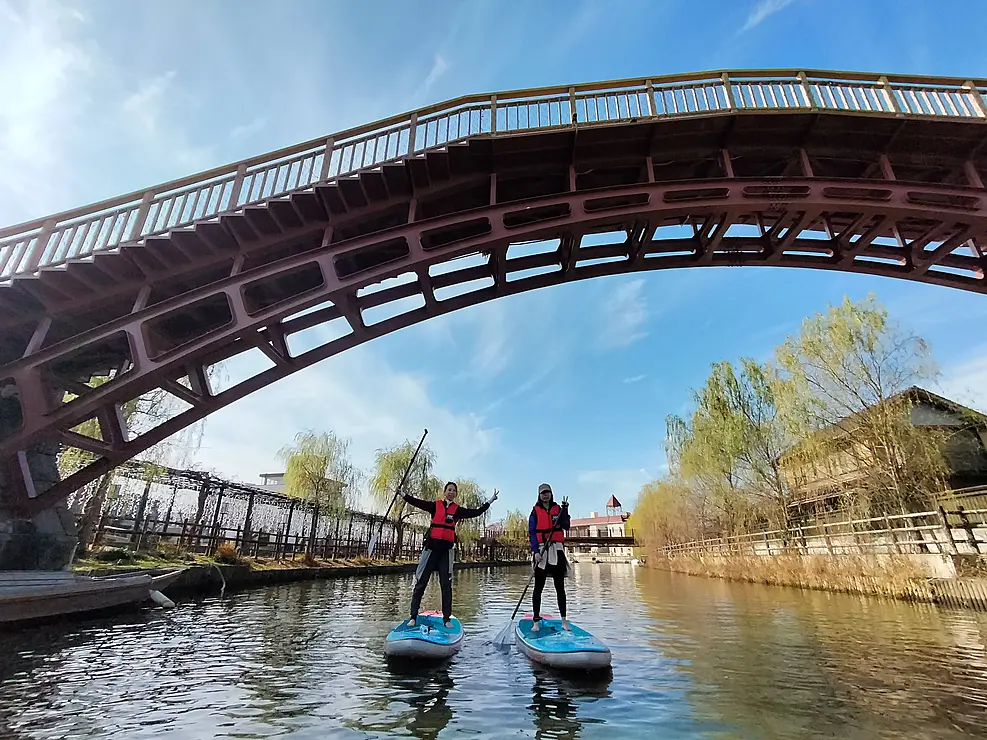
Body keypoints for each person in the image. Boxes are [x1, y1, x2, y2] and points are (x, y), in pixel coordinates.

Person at [401, 481, 498, 628]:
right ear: (445, 492)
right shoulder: (435, 505)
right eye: (449, 490)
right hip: (431, 550)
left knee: (446, 586)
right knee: (421, 583)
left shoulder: (457, 510)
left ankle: (446, 619)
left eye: (454, 491)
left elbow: (476, 512)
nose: (451, 492)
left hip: (446, 552)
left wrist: (491, 500)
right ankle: (413, 616)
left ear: (456, 494)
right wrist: (403, 495)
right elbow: (418, 502)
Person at [528, 482, 572, 632]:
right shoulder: (535, 512)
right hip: (541, 550)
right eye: (543, 493)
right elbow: (532, 533)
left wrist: (565, 510)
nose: (545, 495)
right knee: (538, 588)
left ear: (551, 494)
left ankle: (564, 621)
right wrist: (535, 551)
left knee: (560, 587)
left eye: (548, 492)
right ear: (539, 495)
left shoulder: (558, 509)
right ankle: (535, 621)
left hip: (556, 550)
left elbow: (566, 525)